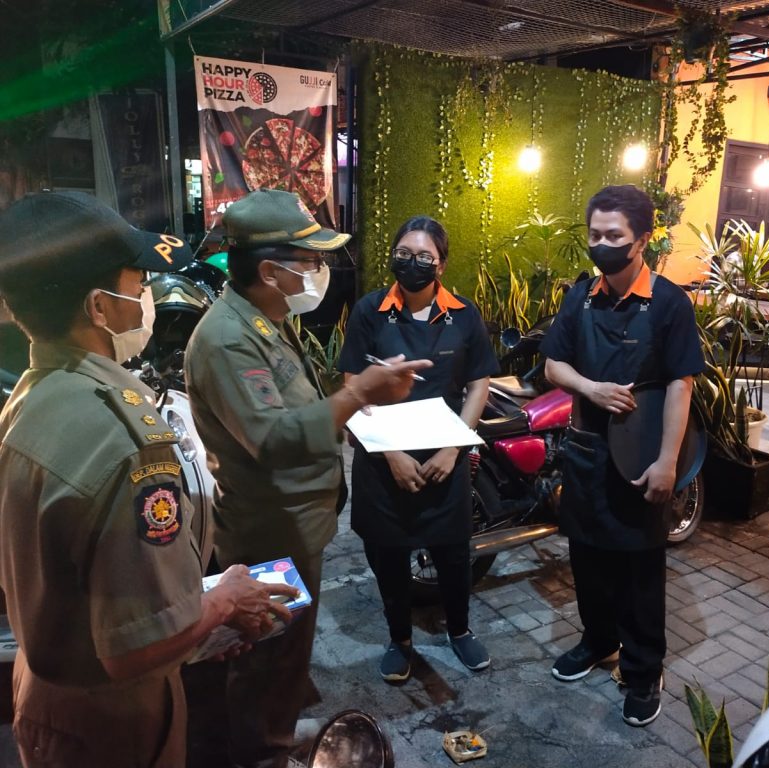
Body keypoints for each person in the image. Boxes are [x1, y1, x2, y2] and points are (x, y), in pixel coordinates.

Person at [0, 191, 298, 767]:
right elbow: (136, 648)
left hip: (45, 692)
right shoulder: (127, 443)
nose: (146, 298)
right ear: (99, 307)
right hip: (112, 721)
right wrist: (223, 602)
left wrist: (190, 615)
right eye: (138, 284)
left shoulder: (30, 399)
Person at [184, 190, 429, 767]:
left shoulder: (266, 319)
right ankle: (262, 751)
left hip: (295, 520)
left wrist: (354, 399)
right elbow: (272, 438)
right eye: (310, 260)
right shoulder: (228, 338)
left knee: (285, 652)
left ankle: (274, 728)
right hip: (272, 527)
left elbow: (293, 407)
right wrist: (357, 394)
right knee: (267, 657)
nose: (319, 271)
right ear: (271, 271)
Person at [540, 185, 705, 726]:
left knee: (639, 571)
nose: (602, 245)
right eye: (595, 234)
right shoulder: (580, 297)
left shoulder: (669, 303)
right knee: (586, 558)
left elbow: (681, 385)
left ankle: (642, 669)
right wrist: (590, 388)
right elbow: (553, 366)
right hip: (586, 451)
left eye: (614, 235)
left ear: (642, 239)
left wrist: (668, 462)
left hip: (641, 456)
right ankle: (597, 641)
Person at [337, 215, 498, 681]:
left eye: (424, 256)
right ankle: (400, 640)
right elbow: (354, 386)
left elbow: (478, 384)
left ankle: (460, 630)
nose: (412, 263)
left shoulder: (463, 314)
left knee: (454, 553)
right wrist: (391, 454)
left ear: (441, 264)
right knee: (388, 555)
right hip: (383, 457)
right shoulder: (370, 310)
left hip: (445, 457)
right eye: (404, 254)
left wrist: (453, 449)